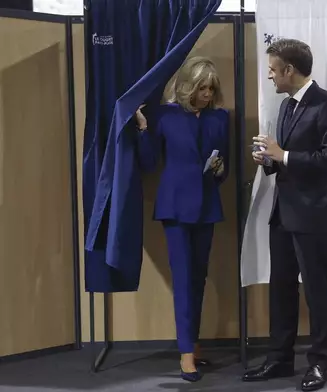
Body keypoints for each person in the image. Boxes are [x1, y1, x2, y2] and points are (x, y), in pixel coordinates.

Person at [242, 38, 327, 391]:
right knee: (281, 289)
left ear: (289, 70)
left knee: (316, 291)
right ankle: (279, 360)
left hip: (315, 215)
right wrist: (269, 160)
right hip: (283, 213)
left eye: (273, 70)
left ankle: (319, 364)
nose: (270, 76)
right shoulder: (286, 107)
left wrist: (283, 155)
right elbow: (285, 157)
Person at [134, 56, 229, 383]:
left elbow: (223, 168)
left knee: (198, 278)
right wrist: (145, 130)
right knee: (184, 279)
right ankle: (185, 352)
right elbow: (148, 163)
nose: (207, 93)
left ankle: (193, 345)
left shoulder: (220, 117)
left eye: (211, 87)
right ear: (188, 85)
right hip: (175, 207)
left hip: (206, 206)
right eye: (202, 87)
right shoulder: (166, 115)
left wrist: (219, 170)